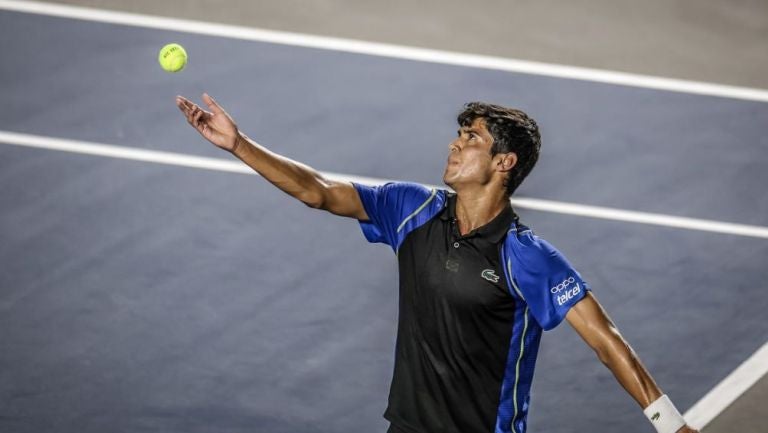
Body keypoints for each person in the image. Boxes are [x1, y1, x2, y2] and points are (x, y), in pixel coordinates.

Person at [175, 93, 699, 433]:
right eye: (460, 133)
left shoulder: (526, 257)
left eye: (472, 138)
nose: (456, 142)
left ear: (503, 163)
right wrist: (238, 144)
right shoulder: (412, 209)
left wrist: (671, 424)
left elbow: (606, 341)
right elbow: (319, 191)